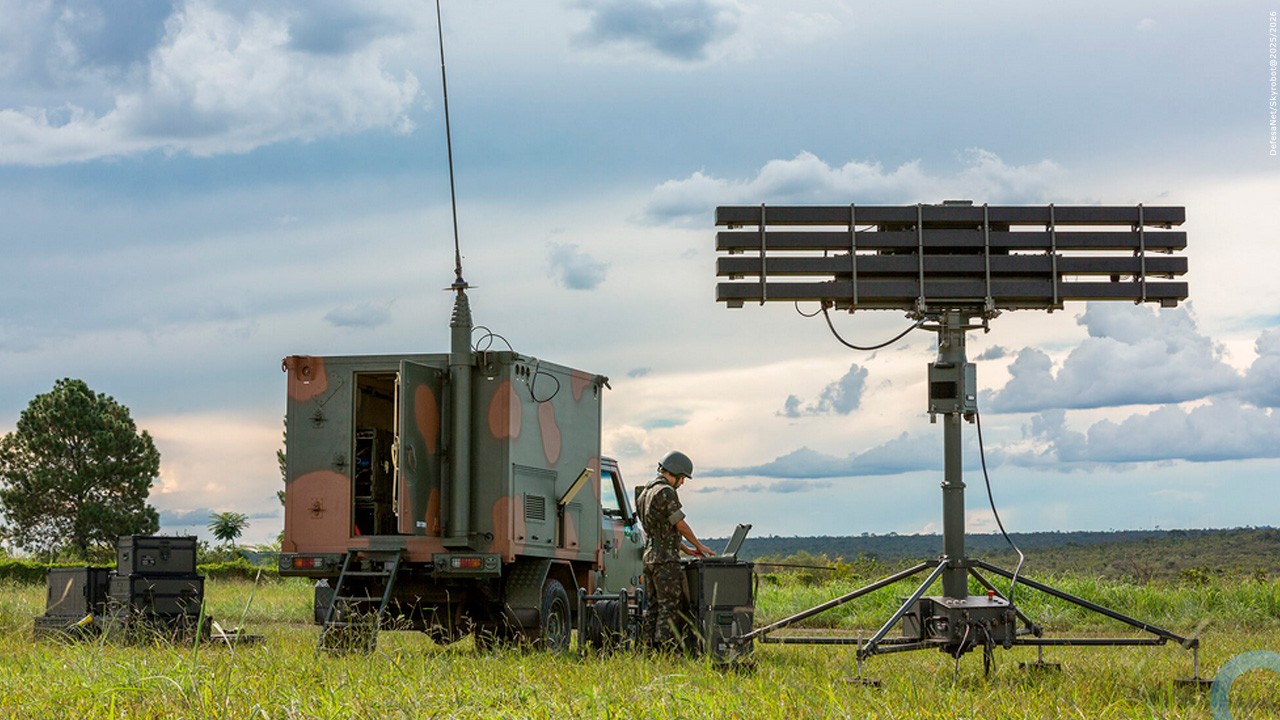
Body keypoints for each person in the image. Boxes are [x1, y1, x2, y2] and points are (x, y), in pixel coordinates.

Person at [637, 450, 714, 652]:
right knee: (670, 606)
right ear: (676, 473)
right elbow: (679, 524)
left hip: (650, 557)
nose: (682, 483)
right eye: (682, 479)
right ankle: (666, 649)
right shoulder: (665, 491)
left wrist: (685, 549)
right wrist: (699, 545)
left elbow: (660, 529)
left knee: (653, 606)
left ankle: (649, 648)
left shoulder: (645, 492)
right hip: (665, 560)